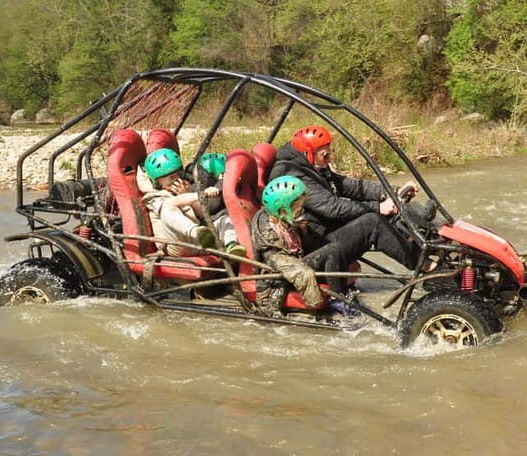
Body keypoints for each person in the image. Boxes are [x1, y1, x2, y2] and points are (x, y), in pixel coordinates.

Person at [268, 125, 421, 270]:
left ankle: (427, 241)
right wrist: (378, 207)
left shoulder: (314, 165)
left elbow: (347, 186)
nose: (329, 159)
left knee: (390, 214)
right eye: (325, 155)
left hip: (327, 229)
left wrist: (391, 192)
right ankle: (426, 268)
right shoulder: (291, 174)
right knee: (372, 222)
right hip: (317, 245)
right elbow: (332, 208)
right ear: (308, 153)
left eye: (330, 153)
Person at [251, 175, 358, 316]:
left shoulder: (285, 220)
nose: (302, 211)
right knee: (333, 250)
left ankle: (340, 295)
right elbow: (295, 270)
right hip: (277, 281)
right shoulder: (269, 238)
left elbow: (313, 246)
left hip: (294, 264)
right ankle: (336, 301)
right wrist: (316, 301)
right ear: (283, 210)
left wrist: (305, 231)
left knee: (335, 248)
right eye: (298, 208)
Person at [141, 148, 245, 257]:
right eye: (171, 177)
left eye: (178, 175)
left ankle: (231, 246)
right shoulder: (153, 197)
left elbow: (203, 214)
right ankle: (196, 232)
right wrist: (200, 194)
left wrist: (188, 195)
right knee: (168, 206)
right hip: (176, 245)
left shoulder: (185, 190)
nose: (177, 180)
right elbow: (174, 202)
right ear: (157, 182)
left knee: (224, 219)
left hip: (198, 243)